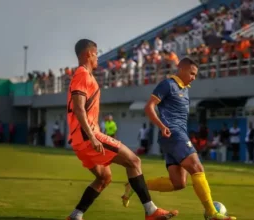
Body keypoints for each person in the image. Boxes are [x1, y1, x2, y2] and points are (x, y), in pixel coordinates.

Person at [65, 39, 177, 220]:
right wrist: (93, 138)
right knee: (134, 161)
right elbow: (78, 108)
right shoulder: (83, 75)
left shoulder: (83, 75)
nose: (97, 58)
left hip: (80, 140)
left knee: (104, 178)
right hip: (89, 136)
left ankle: (76, 215)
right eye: (96, 54)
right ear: (88, 54)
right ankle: (151, 211)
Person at [121, 57, 236, 220]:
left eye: (196, 74)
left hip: (175, 136)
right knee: (197, 167)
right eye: (192, 73)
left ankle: (135, 185)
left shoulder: (185, 89)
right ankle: (211, 212)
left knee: (179, 183)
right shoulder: (168, 84)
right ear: (181, 69)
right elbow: (149, 107)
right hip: (173, 133)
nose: (194, 77)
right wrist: (162, 126)